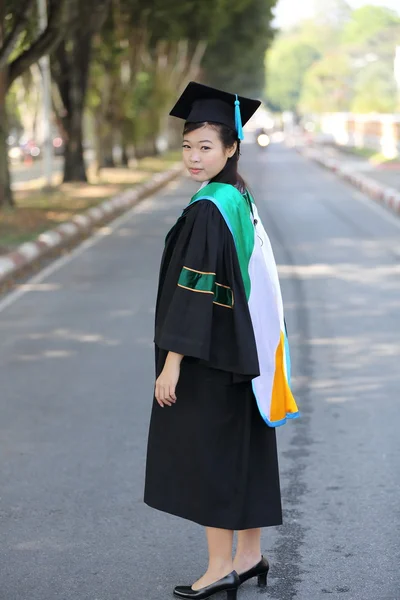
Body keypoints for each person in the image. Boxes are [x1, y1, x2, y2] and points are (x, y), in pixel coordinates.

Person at [144, 81, 299, 600]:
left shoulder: (211, 208)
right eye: (187, 146)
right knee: (244, 449)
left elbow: (196, 288)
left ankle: (218, 568)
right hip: (243, 348)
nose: (193, 157)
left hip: (208, 353)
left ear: (231, 147)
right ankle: (249, 555)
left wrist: (172, 361)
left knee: (210, 454)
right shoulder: (238, 195)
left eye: (206, 147)